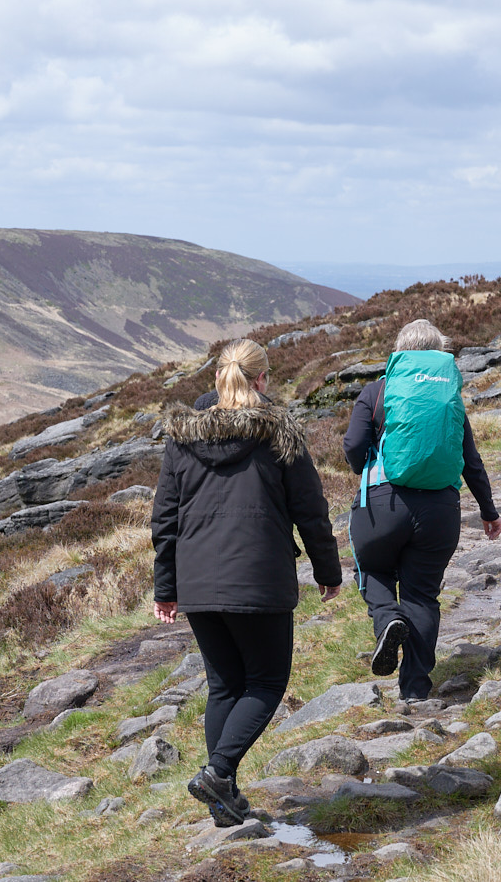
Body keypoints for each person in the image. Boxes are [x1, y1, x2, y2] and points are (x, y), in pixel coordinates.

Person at [152, 338, 343, 827]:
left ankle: (224, 804)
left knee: (224, 686)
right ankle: (217, 774)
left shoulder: (183, 436)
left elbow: (165, 518)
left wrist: (167, 588)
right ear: (261, 380)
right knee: (265, 681)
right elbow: (311, 510)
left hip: (197, 581)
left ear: (218, 378)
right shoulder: (280, 430)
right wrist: (328, 571)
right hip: (258, 579)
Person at [344, 319, 501, 703]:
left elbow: (353, 446)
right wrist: (488, 510)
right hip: (439, 510)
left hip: (384, 505)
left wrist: (364, 466)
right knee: (422, 596)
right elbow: (470, 459)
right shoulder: (449, 398)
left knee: (373, 568)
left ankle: (387, 619)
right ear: (438, 353)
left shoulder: (377, 391)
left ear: (400, 350)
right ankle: (414, 689)